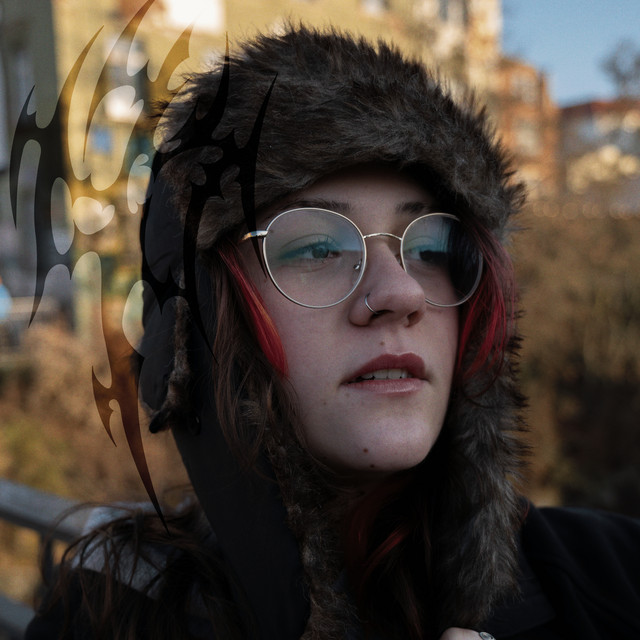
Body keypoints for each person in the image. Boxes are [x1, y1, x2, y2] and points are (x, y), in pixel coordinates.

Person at [25, 24, 640, 640]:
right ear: (201, 320)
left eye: (430, 247)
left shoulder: (613, 578)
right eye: (317, 247)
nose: (401, 294)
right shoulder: (109, 616)